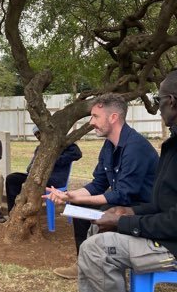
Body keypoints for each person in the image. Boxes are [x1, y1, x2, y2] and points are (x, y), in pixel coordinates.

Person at [73, 74, 177, 292]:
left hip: (171, 244)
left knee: (97, 249)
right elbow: (163, 204)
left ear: (172, 102)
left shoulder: (139, 147)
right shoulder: (171, 145)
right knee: (98, 230)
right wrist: (128, 212)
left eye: (158, 100)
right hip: (160, 228)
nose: (158, 107)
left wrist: (124, 218)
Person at [45, 93, 159, 280]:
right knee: (79, 208)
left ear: (113, 117)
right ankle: (84, 262)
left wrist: (75, 198)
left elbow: (123, 195)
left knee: (108, 211)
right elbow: (98, 183)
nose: (91, 122)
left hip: (147, 209)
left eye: (96, 116)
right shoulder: (109, 145)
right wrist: (70, 196)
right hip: (125, 202)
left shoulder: (135, 147)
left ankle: (100, 276)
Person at [6, 125, 82, 212]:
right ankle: (14, 212)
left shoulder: (63, 144)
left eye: (39, 133)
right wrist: (35, 167)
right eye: (36, 135)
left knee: (20, 181)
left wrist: (51, 161)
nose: (38, 136)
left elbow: (77, 154)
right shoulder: (40, 148)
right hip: (38, 177)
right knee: (12, 178)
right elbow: (30, 167)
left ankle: (20, 211)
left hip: (55, 179)